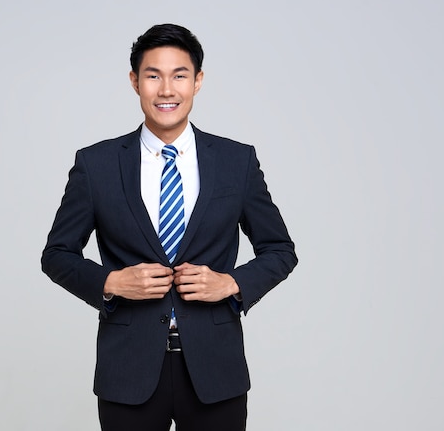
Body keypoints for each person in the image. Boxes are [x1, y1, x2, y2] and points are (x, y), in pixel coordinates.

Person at [41, 23, 297, 431]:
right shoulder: (97, 165)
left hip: (216, 368)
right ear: (134, 82)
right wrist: (112, 282)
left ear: (197, 81)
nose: (166, 90)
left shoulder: (237, 160)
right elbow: (56, 255)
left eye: (179, 75)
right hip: (127, 369)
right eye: (152, 75)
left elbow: (280, 250)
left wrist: (231, 284)